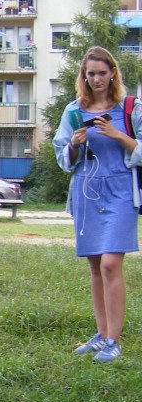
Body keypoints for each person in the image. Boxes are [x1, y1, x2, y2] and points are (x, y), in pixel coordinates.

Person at [53, 46, 140, 363]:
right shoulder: (74, 110)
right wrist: (75, 145)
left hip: (120, 190)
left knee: (110, 264)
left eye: (102, 73)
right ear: (84, 76)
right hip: (87, 190)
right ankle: (102, 335)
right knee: (94, 265)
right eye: (91, 73)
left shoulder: (130, 108)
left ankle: (114, 340)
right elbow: (63, 156)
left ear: (113, 73)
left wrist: (117, 135)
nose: (97, 79)